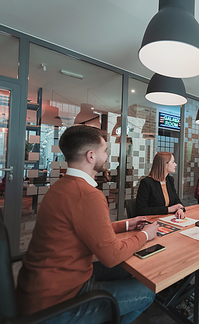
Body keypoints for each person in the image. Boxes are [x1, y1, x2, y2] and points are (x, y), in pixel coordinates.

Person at [16, 125, 159, 324]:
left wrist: (127, 225)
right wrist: (146, 235)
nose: (107, 156)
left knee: (132, 271)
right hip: (60, 302)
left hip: (40, 288)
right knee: (147, 291)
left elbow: (86, 228)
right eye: (105, 151)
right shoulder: (88, 195)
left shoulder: (60, 186)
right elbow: (111, 256)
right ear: (91, 156)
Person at [136, 152, 185, 218]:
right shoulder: (146, 182)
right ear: (165, 164)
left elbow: (176, 201)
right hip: (152, 221)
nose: (175, 164)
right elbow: (141, 210)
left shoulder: (170, 180)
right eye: (173, 162)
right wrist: (168, 210)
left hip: (168, 218)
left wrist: (179, 209)